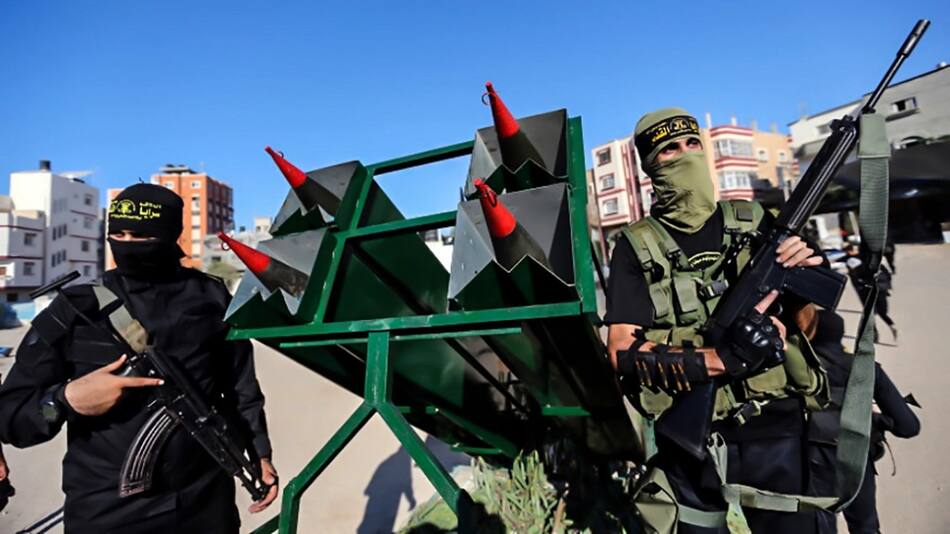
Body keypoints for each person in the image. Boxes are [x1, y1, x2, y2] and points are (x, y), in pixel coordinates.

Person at [0, 184, 278, 533]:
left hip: (205, 503)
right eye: (118, 233)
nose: (127, 243)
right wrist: (67, 399)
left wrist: (260, 453)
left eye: (142, 234)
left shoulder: (210, 297)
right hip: (109, 511)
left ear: (171, 234)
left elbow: (240, 386)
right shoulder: (76, 309)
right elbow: (10, 415)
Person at [606, 108, 828, 534]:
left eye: (693, 144)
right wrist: (720, 359)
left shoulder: (755, 222)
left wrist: (800, 284)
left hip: (772, 421)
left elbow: (808, 328)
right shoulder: (634, 246)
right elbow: (621, 349)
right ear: (650, 165)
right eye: (669, 149)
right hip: (693, 436)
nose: (686, 155)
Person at [807, 310, 920, 534]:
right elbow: (909, 427)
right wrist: (876, 419)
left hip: (810, 462)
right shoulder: (865, 369)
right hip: (856, 460)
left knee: (819, 524)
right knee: (865, 526)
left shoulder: (797, 371)